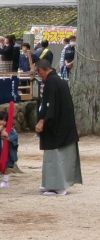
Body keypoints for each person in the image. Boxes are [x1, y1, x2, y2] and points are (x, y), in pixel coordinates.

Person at [35, 59, 82, 196]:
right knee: (58, 155)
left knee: (55, 155)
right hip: (63, 124)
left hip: (56, 125)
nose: (40, 76)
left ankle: (58, 187)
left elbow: (50, 104)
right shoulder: (58, 80)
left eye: (39, 73)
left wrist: (42, 121)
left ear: (42, 70)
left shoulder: (52, 82)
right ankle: (51, 184)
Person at [0, 111, 18, 189]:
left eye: (5, 120)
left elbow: (14, 138)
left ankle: (5, 182)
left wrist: (8, 137)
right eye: (0, 120)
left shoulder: (11, 130)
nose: (2, 122)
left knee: (6, 167)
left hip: (7, 153)